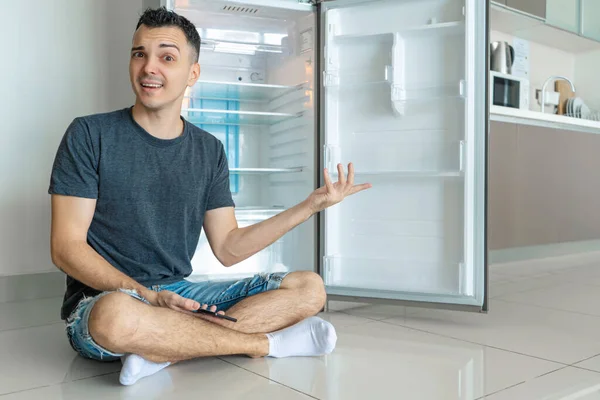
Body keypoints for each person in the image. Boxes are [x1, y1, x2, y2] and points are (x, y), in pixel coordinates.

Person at [48, 7, 371, 386]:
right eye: (140, 54)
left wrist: (310, 207)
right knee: (115, 318)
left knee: (308, 287)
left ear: (193, 73)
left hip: (179, 291)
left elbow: (229, 247)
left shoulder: (208, 150)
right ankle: (263, 345)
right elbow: (65, 248)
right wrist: (145, 297)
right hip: (109, 296)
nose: (149, 67)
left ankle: (161, 350)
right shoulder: (90, 135)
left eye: (167, 57)